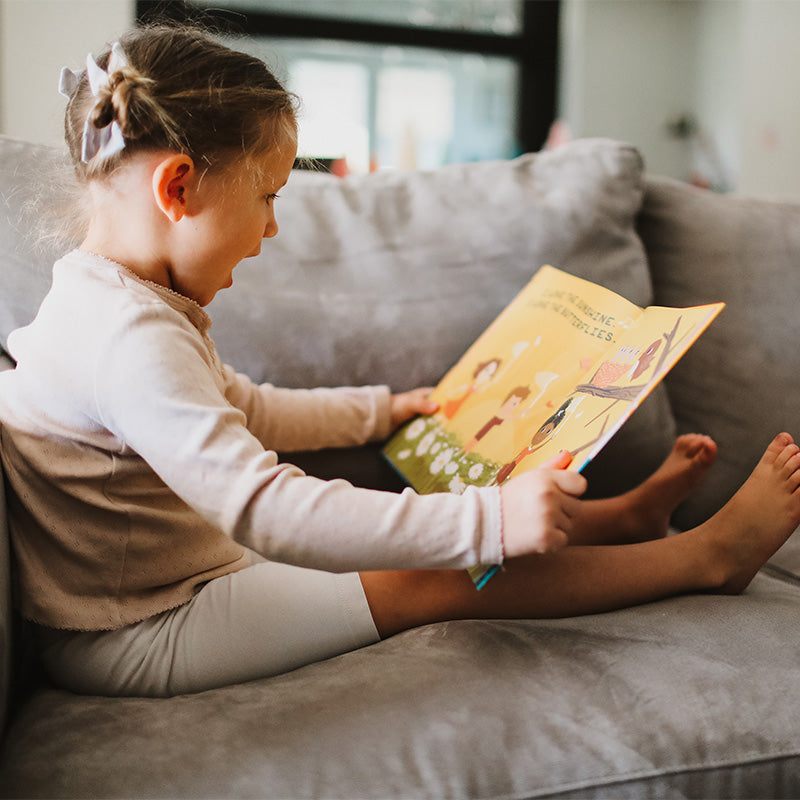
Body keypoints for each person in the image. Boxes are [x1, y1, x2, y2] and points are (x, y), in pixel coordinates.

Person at [1, 25, 799, 699]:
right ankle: (706, 556)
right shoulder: (126, 336)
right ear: (179, 188)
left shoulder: (117, 300)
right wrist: (486, 524)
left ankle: (622, 518)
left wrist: (390, 408)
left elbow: (242, 405)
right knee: (451, 570)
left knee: (459, 508)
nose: (272, 228)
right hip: (142, 628)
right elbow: (264, 508)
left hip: (176, 578)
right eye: (269, 195)